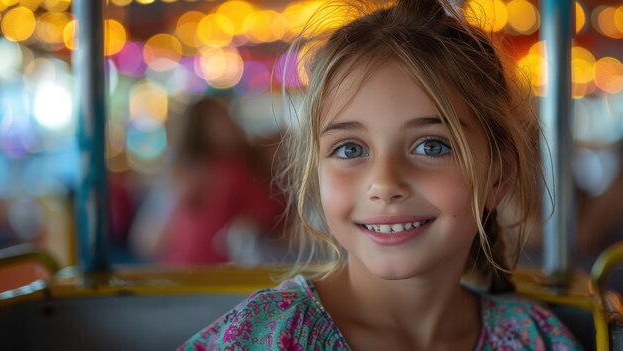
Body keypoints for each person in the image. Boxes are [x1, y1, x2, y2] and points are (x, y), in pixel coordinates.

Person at [178, 0, 581, 349]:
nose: (385, 183)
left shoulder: (535, 337)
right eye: (350, 149)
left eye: (431, 146)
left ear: (498, 175)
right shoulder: (266, 336)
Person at [130, 96, 282, 266]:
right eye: (220, 121)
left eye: (229, 118)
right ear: (201, 130)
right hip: (197, 273)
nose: (230, 125)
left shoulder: (228, 171)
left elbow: (268, 211)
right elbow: (145, 242)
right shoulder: (188, 176)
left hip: (193, 273)